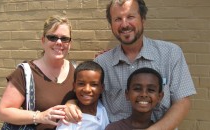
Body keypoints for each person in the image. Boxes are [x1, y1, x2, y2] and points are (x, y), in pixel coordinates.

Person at [65, 0, 196, 130]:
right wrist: (71, 103)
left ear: (143, 19)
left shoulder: (170, 54)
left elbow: (182, 102)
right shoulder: (102, 63)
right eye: (117, 19)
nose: (124, 24)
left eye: (130, 17)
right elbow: (87, 94)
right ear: (111, 24)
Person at [0, 15, 75, 130]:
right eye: (52, 37)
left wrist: (72, 103)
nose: (59, 42)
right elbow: (4, 111)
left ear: (70, 43)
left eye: (64, 38)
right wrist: (39, 116)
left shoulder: (75, 71)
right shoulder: (25, 73)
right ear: (43, 40)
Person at [56, 61, 109, 130]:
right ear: (74, 86)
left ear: (102, 88)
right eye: (81, 84)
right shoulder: (69, 120)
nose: (87, 89)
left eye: (94, 85)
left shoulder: (102, 107)